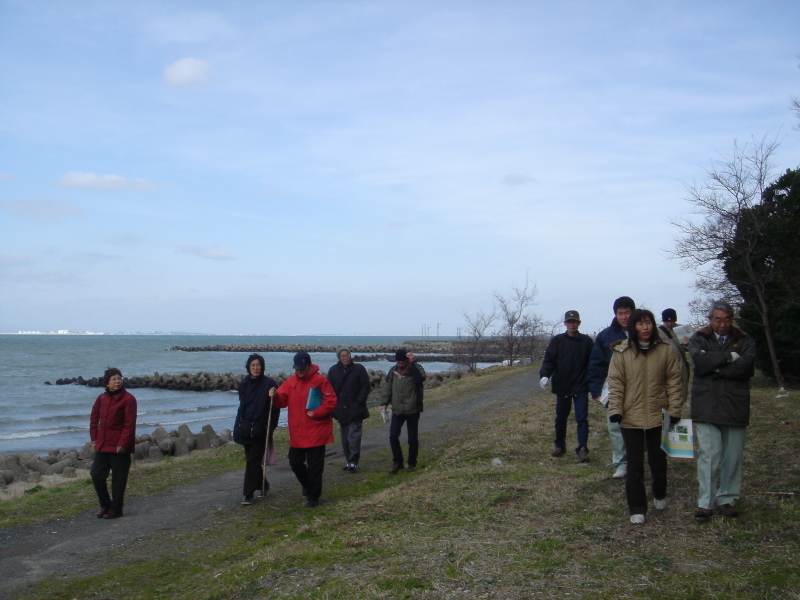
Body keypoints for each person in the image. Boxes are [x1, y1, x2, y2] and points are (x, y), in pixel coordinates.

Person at [607, 309, 683, 524]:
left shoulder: (665, 350)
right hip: (630, 417)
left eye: (648, 323)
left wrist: (675, 410)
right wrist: (615, 410)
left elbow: (674, 382)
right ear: (633, 327)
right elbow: (616, 384)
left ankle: (660, 493)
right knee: (635, 465)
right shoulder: (621, 353)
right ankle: (637, 507)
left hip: (658, 415)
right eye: (640, 324)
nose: (645, 327)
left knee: (658, 462)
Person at [688, 300, 756, 519]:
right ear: (710, 319)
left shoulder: (744, 340)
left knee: (733, 456)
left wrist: (715, 367)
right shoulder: (699, 338)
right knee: (709, 455)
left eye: (727, 319)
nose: (723, 324)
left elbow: (746, 366)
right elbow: (699, 364)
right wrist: (727, 359)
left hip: (735, 405)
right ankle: (705, 502)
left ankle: (727, 499)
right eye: (718, 319)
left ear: (731, 319)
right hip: (706, 405)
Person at [269, 351, 337, 508]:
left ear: (308, 366)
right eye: (296, 368)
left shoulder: (320, 380)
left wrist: (317, 413)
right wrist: (274, 396)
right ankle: (307, 484)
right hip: (298, 431)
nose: (299, 371)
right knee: (295, 462)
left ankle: (313, 496)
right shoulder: (291, 381)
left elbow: (331, 401)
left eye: (301, 368)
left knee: (315, 466)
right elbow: (281, 401)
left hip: (317, 430)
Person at [588, 296, 636, 479]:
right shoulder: (605, 335)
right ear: (615, 314)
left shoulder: (642, 331)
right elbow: (596, 364)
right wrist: (596, 390)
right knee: (615, 427)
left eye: (627, 312)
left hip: (638, 386)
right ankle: (621, 463)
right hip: (613, 386)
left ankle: (637, 460)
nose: (624, 317)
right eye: (620, 313)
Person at [539, 310, 594, 462]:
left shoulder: (586, 342)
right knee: (561, 418)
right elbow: (549, 360)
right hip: (562, 386)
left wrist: (596, 382)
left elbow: (593, 363)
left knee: (582, 418)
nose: (572, 324)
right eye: (569, 322)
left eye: (575, 322)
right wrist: (545, 375)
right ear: (565, 323)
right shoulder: (557, 341)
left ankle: (582, 448)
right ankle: (560, 445)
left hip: (581, 386)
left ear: (579, 323)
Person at [89, 368, 137, 520]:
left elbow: (129, 424)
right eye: (114, 379)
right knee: (96, 475)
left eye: (119, 378)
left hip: (119, 446)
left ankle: (116, 509)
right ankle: (105, 505)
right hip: (103, 444)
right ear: (107, 382)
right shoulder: (102, 398)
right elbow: (94, 419)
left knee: (118, 479)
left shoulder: (128, 399)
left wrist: (123, 443)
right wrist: (94, 438)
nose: (117, 381)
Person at [233, 353, 280, 506]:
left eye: (258, 365)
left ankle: (247, 494)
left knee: (253, 460)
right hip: (245, 427)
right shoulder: (244, 383)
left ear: (262, 367)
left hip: (261, 428)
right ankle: (263, 485)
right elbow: (242, 406)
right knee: (252, 461)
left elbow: (276, 407)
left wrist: (271, 426)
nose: (255, 368)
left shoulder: (269, 384)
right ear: (248, 367)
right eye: (253, 365)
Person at [380, 349, 426, 474]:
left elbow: (420, 379)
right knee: (393, 436)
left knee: (412, 439)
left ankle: (411, 464)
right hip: (397, 410)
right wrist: (384, 403)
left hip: (412, 409)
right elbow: (388, 387)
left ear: (407, 360)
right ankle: (397, 463)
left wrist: (412, 364)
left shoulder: (416, 368)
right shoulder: (393, 371)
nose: (400, 364)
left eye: (402, 362)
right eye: (398, 362)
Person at [327, 348, 371, 472]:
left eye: (347, 355)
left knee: (354, 436)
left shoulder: (359, 369)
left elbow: (365, 386)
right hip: (341, 410)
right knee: (345, 438)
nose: (346, 357)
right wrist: (333, 407)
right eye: (343, 356)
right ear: (339, 358)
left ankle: (353, 460)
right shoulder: (333, 371)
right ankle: (349, 460)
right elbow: (330, 390)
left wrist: (359, 401)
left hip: (356, 409)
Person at [659, 308, 690, 405]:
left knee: (681, 392)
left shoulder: (683, 329)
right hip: (666, 365)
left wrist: (687, 344)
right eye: (667, 321)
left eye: (671, 321)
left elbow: (690, 349)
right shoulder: (659, 331)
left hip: (682, 365)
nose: (669, 324)